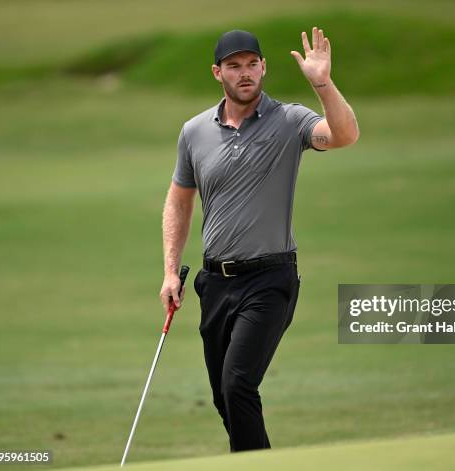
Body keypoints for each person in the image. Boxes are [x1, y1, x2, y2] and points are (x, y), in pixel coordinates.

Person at [159, 27, 359, 452]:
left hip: (270, 279)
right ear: (218, 73)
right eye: (234, 66)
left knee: (238, 384)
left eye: (252, 64)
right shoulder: (195, 131)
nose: (245, 73)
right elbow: (179, 200)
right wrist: (169, 271)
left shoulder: (290, 120)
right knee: (223, 397)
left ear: (264, 67)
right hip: (215, 284)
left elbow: (344, 136)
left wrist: (321, 83)